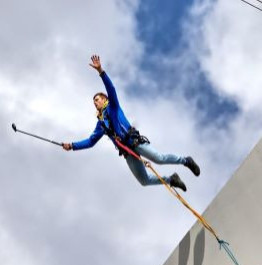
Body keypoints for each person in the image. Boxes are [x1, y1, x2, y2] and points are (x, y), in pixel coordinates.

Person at [62, 55, 200, 191]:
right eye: (94, 102)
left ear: (104, 99)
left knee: (159, 158)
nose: (95, 103)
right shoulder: (101, 124)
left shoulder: (113, 106)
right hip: (127, 152)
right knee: (144, 181)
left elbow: (112, 89)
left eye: (97, 99)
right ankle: (171, 179)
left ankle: (186, 160)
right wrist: (72, 146)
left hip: (134, 142)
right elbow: (90, 142)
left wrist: (101, 72)